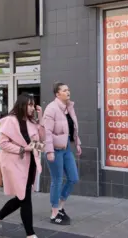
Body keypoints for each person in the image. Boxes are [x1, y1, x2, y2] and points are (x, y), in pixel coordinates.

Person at [0, 93, 45, 238]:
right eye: (29, 105)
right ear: (22, 105)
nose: (32, 108)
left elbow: (42, 138)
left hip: (29, 162)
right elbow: (2, 143)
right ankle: (30, 234)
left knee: (22, 197)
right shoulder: (9, 120)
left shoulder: (32, 122)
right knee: (25, 198)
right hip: (14, 163)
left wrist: (41, 118)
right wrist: (22, 149)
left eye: (33, 105)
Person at [43, 82, 81, 225]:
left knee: (73, 178)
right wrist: (49, 151)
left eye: (68, 89)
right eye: (64, 90)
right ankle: (54, 213)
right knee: (57, 180)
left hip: (66, 149)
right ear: (57, 94)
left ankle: (60, 206)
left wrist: (77, 144)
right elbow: (47, 132)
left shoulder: (69, 107)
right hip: (55, 150)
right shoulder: (51, 109)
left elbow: (73, 129)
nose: (68, 92)